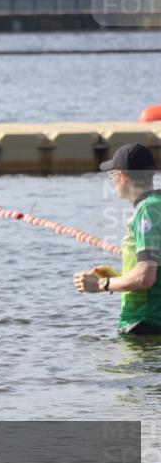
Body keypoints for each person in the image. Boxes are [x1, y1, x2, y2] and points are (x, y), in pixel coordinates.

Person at [73, 143, 160, 336]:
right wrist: (117, 277)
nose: (112, 182)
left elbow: (144, 278)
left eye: (112, 176)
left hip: (144, 325)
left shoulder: (147, 211)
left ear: (124, 177)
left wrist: (101, 284)